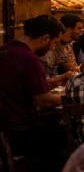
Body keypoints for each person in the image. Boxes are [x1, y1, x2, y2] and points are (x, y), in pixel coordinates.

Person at [0, 15, 65, 155]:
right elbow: (45, 102)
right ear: (45, 38)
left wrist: (50, 83)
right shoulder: (30, 59)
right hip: (20, 129)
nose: (53, 48)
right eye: (54, 43)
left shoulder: (5, 50)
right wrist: (69, 96)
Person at [42, 13, 83, 83]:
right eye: (79, 28)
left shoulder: (70, 45)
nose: (81, 32)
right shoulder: (52, 49)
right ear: (69, 29)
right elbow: (46, 79)